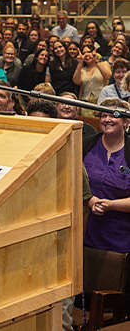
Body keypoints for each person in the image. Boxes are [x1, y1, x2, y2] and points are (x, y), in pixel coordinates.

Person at [83, 98, 130, 311]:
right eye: (103, 114)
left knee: (116, 299)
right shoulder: (87, 144)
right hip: (86, 230)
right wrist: (90, 199)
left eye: (114, 115)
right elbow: (71, 181)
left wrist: (111, 205)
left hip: (122, 237)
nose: (107, 119)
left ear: (126, 122)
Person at [73, 43, 112, 114]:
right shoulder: (82, 70)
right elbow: (77, 82)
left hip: (101, 102)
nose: (86, 54)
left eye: (89, 52)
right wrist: (80, 63)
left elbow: (108, 76)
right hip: (86, 104)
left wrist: (96, 61)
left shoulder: (103, 64)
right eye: (84, 53)